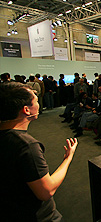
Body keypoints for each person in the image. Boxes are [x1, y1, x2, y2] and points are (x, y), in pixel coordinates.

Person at [0, 82, 78, 221]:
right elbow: (47, 191)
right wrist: (68, 158)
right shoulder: (26, 146)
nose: (38, 104)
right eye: (36, 101)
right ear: (26, 110)